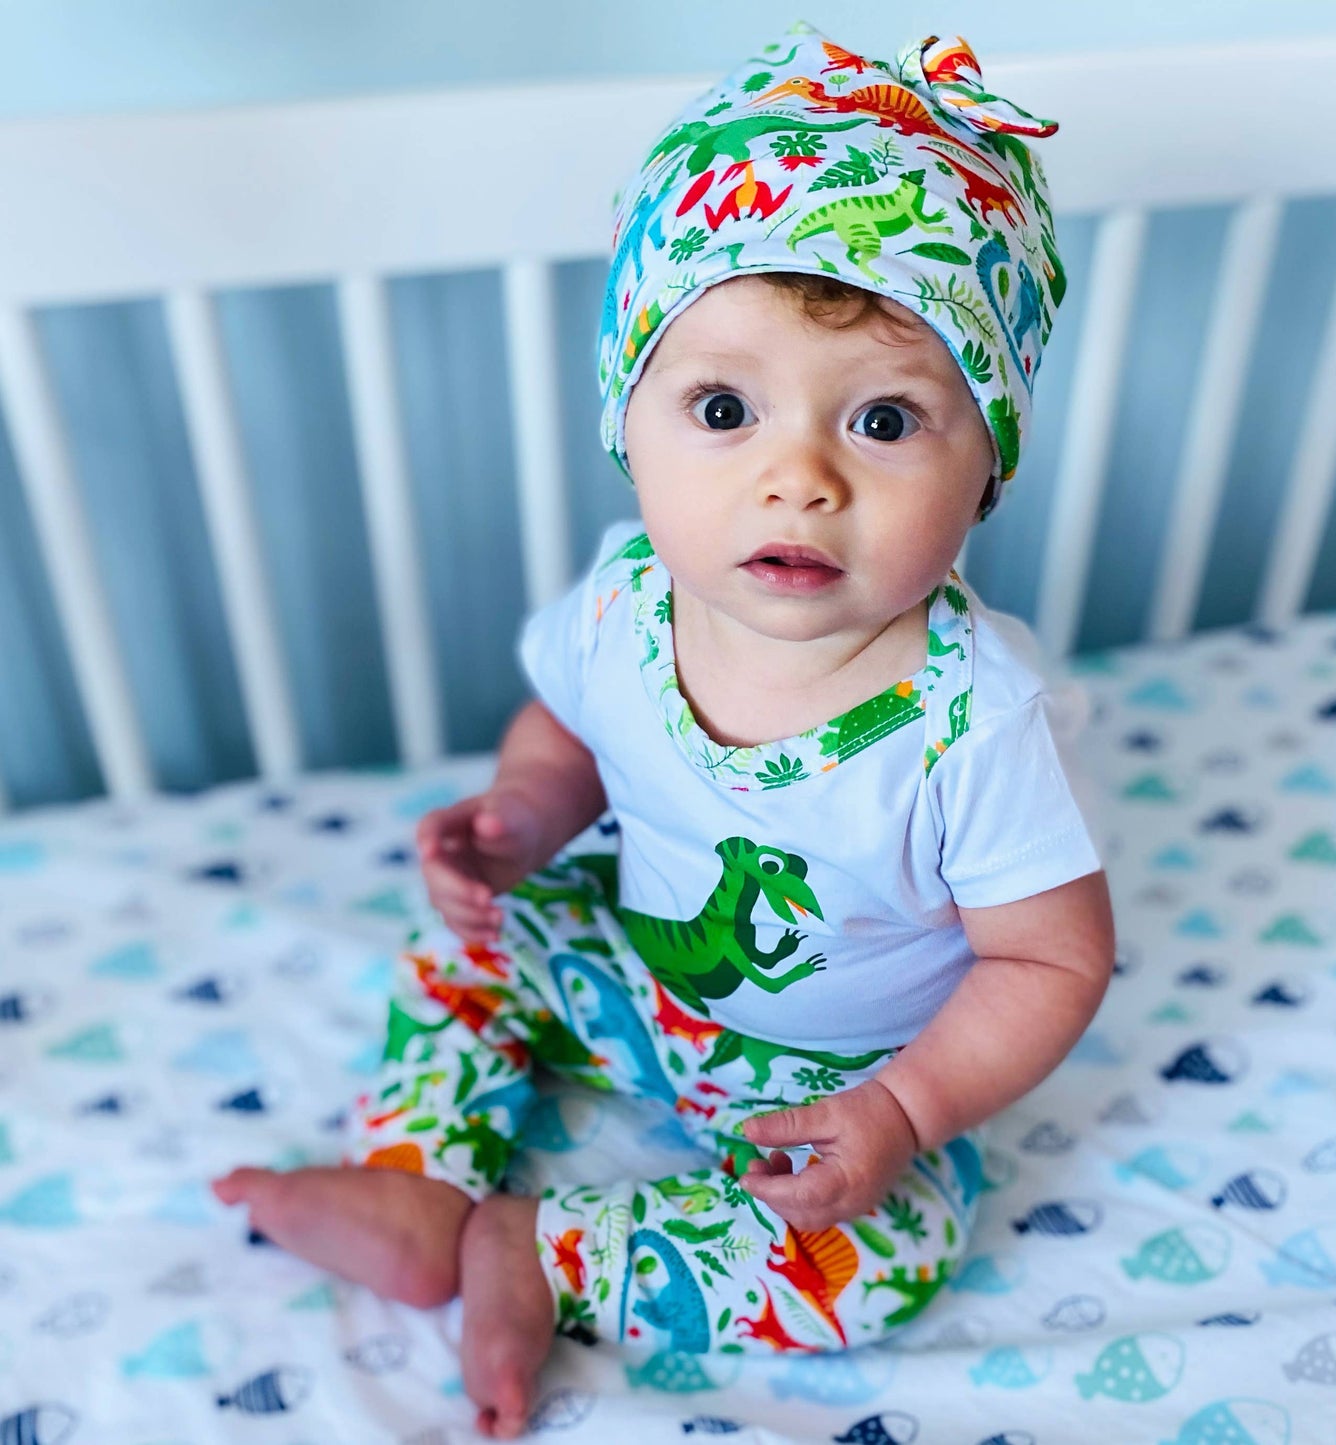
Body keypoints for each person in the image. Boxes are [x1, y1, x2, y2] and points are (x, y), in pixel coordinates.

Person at [212, 20, 1115, 1439]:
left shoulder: (965, 716)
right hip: (642, 972)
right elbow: (566, 730)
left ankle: (542, 1249)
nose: (798, 479)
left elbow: (1053, 954)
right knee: (475, 926)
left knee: (888, 1265)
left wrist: (905, 1110)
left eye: (883, 419)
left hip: (841, 1081)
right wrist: (520, 813)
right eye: (721, 408)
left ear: (985, 469)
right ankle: (416, 1178)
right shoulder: (630, 598)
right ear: (627, 426)